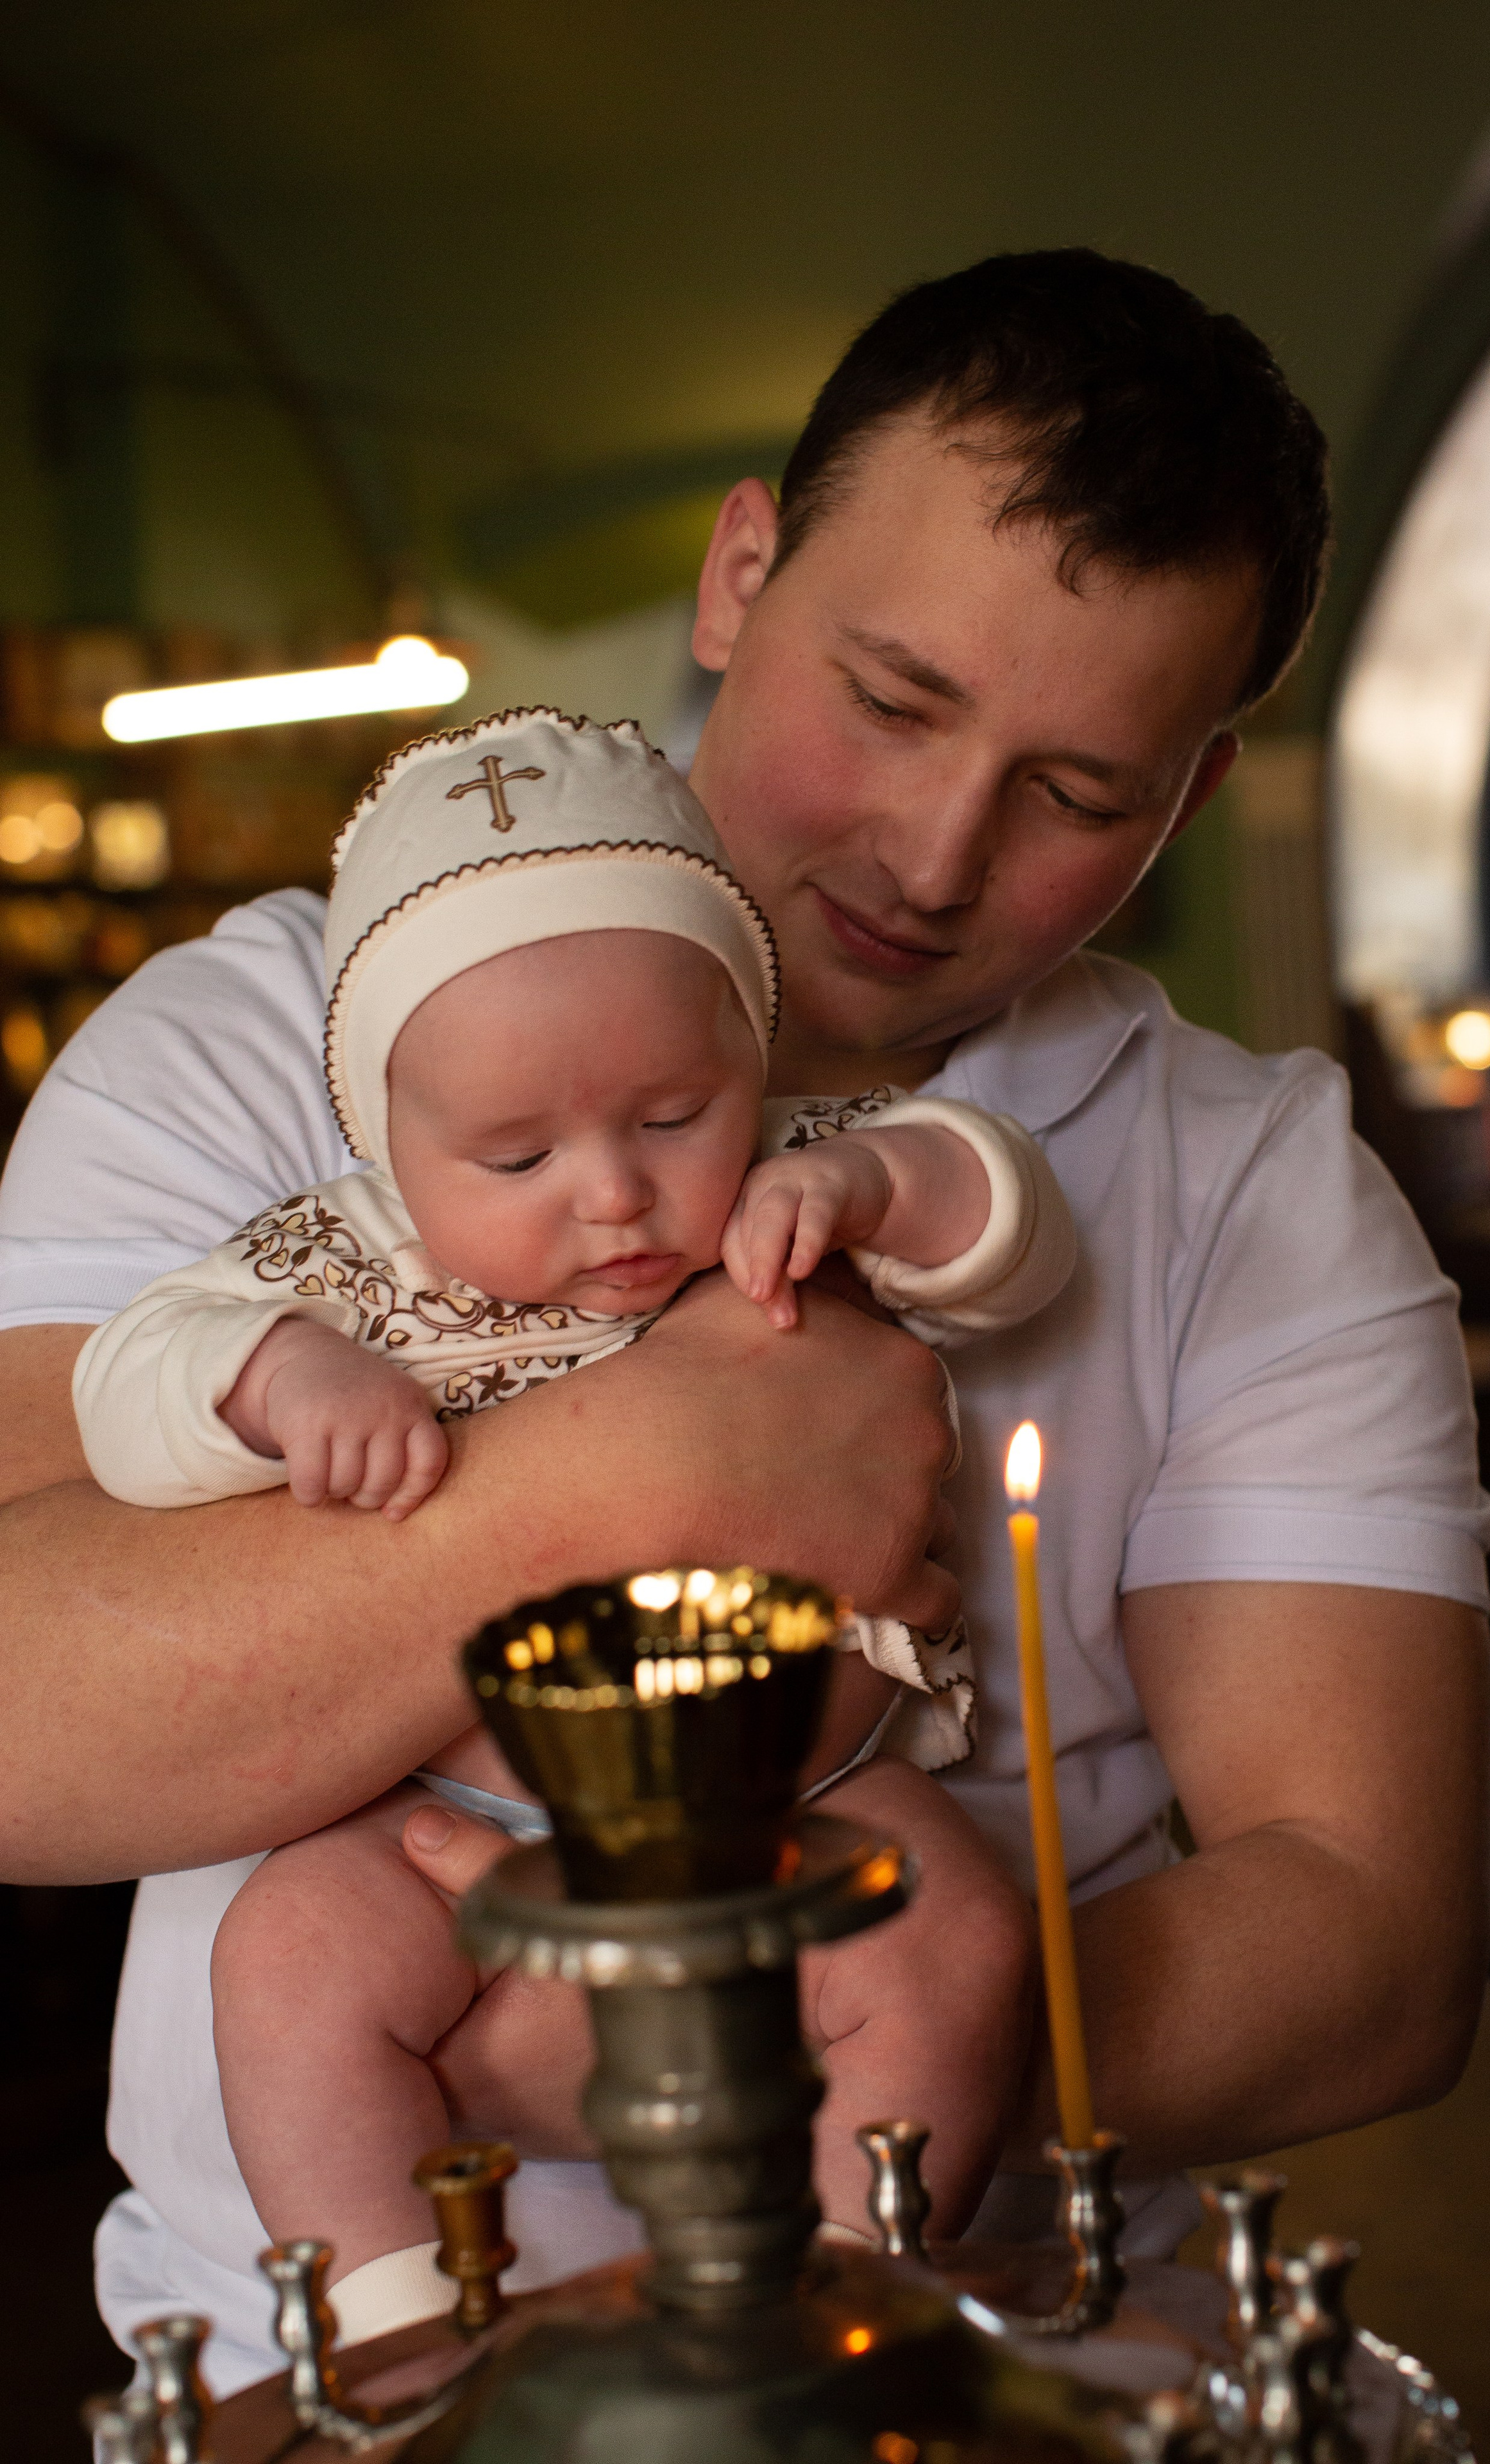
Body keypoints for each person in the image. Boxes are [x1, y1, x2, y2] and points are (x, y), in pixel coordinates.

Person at [0, 249, 1490, 2393]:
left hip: (1013, 2347)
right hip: (304, 2372)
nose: (934, 850)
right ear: (738, 576)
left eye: (1078, 793)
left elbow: (1370, 1944)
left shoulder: (1251, 1183)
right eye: (890, 698)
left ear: (1189, 799)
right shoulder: (260, 1045)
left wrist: (654, 2049)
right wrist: (634, 1476)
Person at [70, 706, 1075, 2335]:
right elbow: (127, 1379)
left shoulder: (795, 1179)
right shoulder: (345, 1262)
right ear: (390, 1138)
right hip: (449, 1835)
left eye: (672, 1115)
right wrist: (272, 1375)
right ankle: (396, 2326)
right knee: (287, 1962)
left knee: (956, 1937)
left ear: (746, 1051)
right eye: (516, 1152)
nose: (611, 1193)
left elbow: (1010, 1216)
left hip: (803, 1805)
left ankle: (842, 2304)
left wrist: (879, 1185)